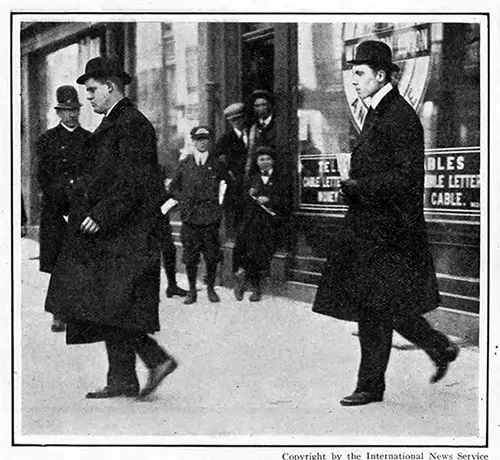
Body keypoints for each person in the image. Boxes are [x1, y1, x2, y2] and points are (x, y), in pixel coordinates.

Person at [312, 40, 459, 407]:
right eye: (352, 74)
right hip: (374, 230)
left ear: (381, 75)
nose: (355, 82)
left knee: (374, 309)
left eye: (360, 74)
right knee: (385, 305)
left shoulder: (399, 117)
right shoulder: (379, 112)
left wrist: (358, 184)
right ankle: (439, 348)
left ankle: (370, 386)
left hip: (391, 233)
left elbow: (407, 179)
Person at [44, 57, 177, 399]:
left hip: (126, 233)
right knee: (106, 303)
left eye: (91, 90)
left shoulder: (131, 123)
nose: (87, 97)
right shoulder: (116, 121)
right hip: (116, 232)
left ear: (110, 86)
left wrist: (102, 214)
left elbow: (133, 182)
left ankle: (156, 360)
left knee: (113, 304)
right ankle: (122, 379)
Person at [36, 85, 91, 332]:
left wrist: (80, 205)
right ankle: (59, 313)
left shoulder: (90, 139)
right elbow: (44, 177)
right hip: (56, 211)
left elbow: (92, 176)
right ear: (58, 113)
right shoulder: (46, 140)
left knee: (80, 262)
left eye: (74, 110)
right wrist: (62, 204)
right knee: (59, 263)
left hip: (81, 209)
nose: (70, 115)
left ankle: (79, 312)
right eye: (65, 110)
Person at [170, 126, 228, 305]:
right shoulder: (185, 163)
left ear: (209, 141)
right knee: (190, 256)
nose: (202, 142)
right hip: (190, 218)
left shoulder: (217, 163)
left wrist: (219, 206)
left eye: (205, 139)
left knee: (211, 255)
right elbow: (173, 187)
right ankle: (192, 290)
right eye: (198, 139)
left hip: (210, 218)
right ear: (193, 141)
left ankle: (210, 288)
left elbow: (228, 186)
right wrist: (183, 201)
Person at [233, 146, 286, 302]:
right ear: (256, 162)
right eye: (261, 159)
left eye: (268, 159)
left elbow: (286, 199)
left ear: (273, 161)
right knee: (251, 251)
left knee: (263, 253)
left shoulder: (280, 178)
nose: (265, 162)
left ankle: (244, 278)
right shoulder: (251, 178)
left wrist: (270, 199)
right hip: (253, 222)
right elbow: (242, 200)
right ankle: (254, 288)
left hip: (271, 223)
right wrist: (249, 196)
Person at [158, 136, 188, 299]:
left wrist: (170, 201)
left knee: (168, 249)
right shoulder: (133, 164)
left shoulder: (160, 164)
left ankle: (172, 285)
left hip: (159, 211)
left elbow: (168, 188)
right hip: (141, 214)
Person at [214, 102, 249, 235]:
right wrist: (229, 173)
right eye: (234, 120)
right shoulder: (226, 139)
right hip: (235, 185)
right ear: (229, 121)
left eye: (240, 118)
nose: (238, 122)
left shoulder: (254, 133)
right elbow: (217, 161)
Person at [246, 89, 276, 179]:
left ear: (270, 106)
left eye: (264, 105)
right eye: (257, 106)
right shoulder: (254, 128)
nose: (261, 108)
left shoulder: (277, 125)